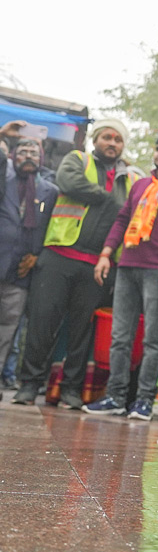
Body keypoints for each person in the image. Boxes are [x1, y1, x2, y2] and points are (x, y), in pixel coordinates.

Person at [13, 119, 141, 408]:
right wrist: (106, 198)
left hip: (98, 264)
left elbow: (131, 210)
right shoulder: (78, 160)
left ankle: (71, 389)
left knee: (82, 330)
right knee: (42, 323)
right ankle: (29, 386)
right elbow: (68, 182)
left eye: (118, 140)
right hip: (59, 255)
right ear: (96, 140)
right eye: (107, 138)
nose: (112, 143)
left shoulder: (132, 179)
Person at [85, 134, 158, 419]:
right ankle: (115, 397)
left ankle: (144, 400)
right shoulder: (141, 185)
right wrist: (106, 254)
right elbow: (123, 219)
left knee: (153, 338)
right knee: (120, 336)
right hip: (128, 264)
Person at [0, 138, 57, 400]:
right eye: (22, 151)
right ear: (13, 156)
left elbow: (51, 230)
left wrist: (38, 254)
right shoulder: (5, 180)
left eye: (33, 152)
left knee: (8, 328)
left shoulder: (49, 191)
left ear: (41, 158)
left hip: (21, 272)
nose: (28, 156)